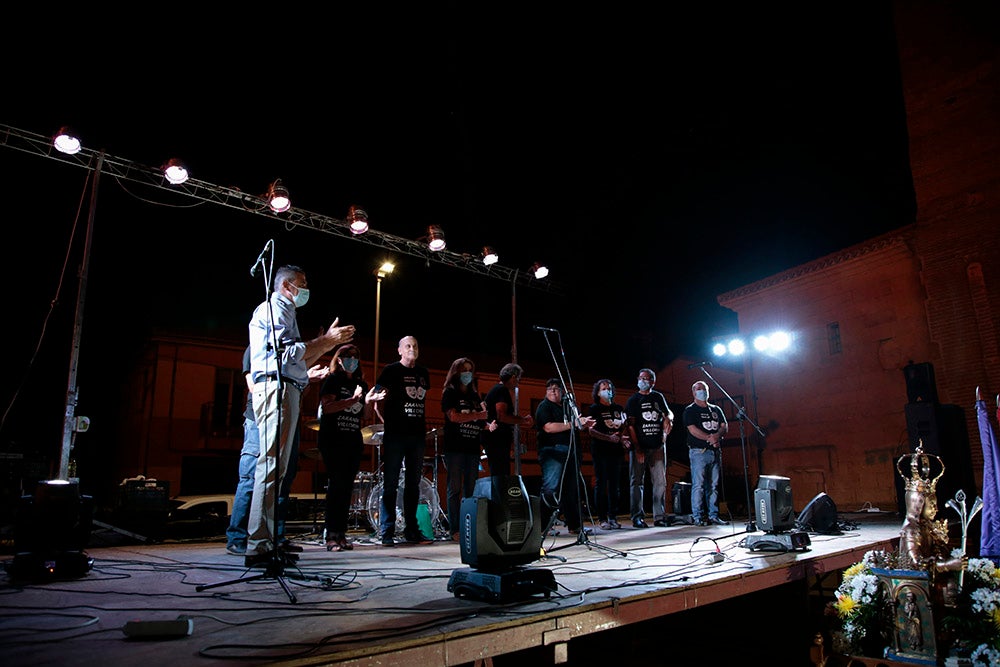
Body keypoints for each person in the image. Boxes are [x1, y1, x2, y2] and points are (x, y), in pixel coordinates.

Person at [245, 264, 355, 567]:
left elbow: (298, 357)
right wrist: (326, 342)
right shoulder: (276, 308)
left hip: (288, 388)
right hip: (277, 389)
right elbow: (286, 354)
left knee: (276, 468)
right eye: (302, 283)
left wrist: (325, 345)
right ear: (285, 286)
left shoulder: (287, 313)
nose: (305, 289)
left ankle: (265, 541)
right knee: (270, 464)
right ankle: (258, 545)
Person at [226, 345, 328, 556]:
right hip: (259, 420)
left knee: (282, 478)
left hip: (286, 420)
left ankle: (276, 537)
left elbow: (299, 390)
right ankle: (237, 537)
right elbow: (255, 386)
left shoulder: (287, 354)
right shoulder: (256, 348)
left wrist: (306, 378)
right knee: (251, 478)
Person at [317, 343, 382, 552]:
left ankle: (342, 534)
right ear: (339, 359)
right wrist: (351, 400)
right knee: (336, 486)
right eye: (348, 356)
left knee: (347, 489)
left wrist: (369, 401)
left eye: (355, 357)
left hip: (352, 440)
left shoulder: (360, 383)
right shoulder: (332, 380)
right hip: (333, 439)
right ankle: (331, 535)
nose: (352, 360)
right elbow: (327, 407)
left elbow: (363, 415)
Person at [373, 335, 432, 546]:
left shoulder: (423, 373)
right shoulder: (391, 371)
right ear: (399, 350)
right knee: (390, 484)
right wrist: (388, 423)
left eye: (415, 345)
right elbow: (376, 400)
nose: (412, 349)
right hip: (395, 436)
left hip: (417, 436)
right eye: (407, 346)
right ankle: (387, 530)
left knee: (413, 485)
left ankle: (412, 529)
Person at [535, 378, 596, 535]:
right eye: (550, 389)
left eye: (556, 388)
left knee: (572, 489)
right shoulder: (544, 407)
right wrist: (573, 423)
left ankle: (575, 526)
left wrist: (582, 423)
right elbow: (548, 427)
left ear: (562, 391)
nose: (553, 391)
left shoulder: (568, 406)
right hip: (552, 451)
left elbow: (576, 424)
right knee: (551, 488)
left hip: (571, 451)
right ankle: (542, 526)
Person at [441, 357, 489, 541]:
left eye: (470, 370)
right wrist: (477, 415)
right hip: (455, 448)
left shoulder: (474, 395)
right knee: (454, 488)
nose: (467, 374)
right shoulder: (450, 393)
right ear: (456, 372)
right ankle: (454, 529)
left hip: (472, 448)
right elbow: (453, 417)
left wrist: (486, 421)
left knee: (471, 489)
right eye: (464, 370)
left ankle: (470, 527)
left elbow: (481, 420)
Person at [624, 368, 674, 528]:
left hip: (658, 446)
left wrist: (669, 419)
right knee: (637, 482)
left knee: (660, 482)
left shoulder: (658, 397)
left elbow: (668, 413)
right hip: (640, 446)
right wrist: (637, 448)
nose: (644, 381)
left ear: (653, 381)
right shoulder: (633, 400)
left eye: (648, 378)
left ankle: (659, 516)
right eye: (642, 378)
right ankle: (637, 517)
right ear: (637, 380)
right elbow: (630, 426)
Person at [683, 380, 728, 526]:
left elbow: (724, 425)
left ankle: (713, 515)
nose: (702, 391)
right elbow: (692, 429)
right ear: (693, 392)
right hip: (699, 452)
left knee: (713, 485)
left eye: (704, 389)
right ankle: (698, 517)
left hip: (715, 452)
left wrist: (718, 435)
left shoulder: (716, 409)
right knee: (699, 485)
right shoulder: (690, 410)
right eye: (698, 389)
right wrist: (710, 438)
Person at [587, 379, 629, 530]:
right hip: (600, 450)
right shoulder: (594, 409)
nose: (607, 391)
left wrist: (620, 436)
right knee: (601, 483)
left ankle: (613, 516)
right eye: (604, 388)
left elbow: (624, 425)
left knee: (614, 485)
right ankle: (602, 517)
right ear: (598, 392)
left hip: (616, 452)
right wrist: (608, 438)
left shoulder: (618, 408)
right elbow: (591, 431)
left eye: (609, 388)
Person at [482, 363, 534, 476]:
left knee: (498, 472)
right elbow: (502, 415)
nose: (518, 383)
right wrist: (523, 420)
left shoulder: (496, 390)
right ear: (513, 377)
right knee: (500, 474)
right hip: (497, 440)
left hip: (494, 440)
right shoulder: (501, 390)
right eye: (518, 379)